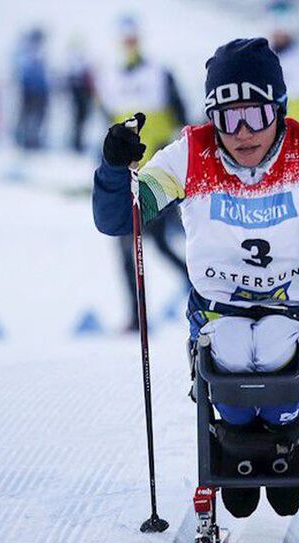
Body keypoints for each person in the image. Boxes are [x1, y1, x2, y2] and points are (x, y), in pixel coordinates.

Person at [91, 39, 299, 534]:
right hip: (222, 308)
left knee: (274, 347)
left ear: (280, 109)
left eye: (256, 115)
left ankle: (286, 437)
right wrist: (115, 171)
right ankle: (237, 444)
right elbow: (120, 219)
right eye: (228, 117)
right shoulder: (190, 155)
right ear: (211, 117)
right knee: (228, 348)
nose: (242, 133)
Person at [97, 16, 191, 330]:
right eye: (125, 40)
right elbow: (107, 124)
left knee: (159, 244)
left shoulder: (159, 73)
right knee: (125, 247)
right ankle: (136, 317)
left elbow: (181, 117)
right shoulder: (108, 77)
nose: (129, 45)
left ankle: (197, 288)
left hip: (158, 176)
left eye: (133, 39)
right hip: (127, 177)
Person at [13, 27, 50, 151]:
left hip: (40, 89)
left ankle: (33, 139)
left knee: (38, 116)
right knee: (28, 115)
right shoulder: (27, 51)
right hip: (30, 89)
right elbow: (24, 70)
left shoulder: (41, 51)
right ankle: (23, 139)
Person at [64, 39, 96, 154]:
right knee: (78, 120)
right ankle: (76, 143)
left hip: (83, 95)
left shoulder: (81, 62)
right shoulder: (75, 63)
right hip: (79, 95)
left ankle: (77, 142)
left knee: (81, 120)